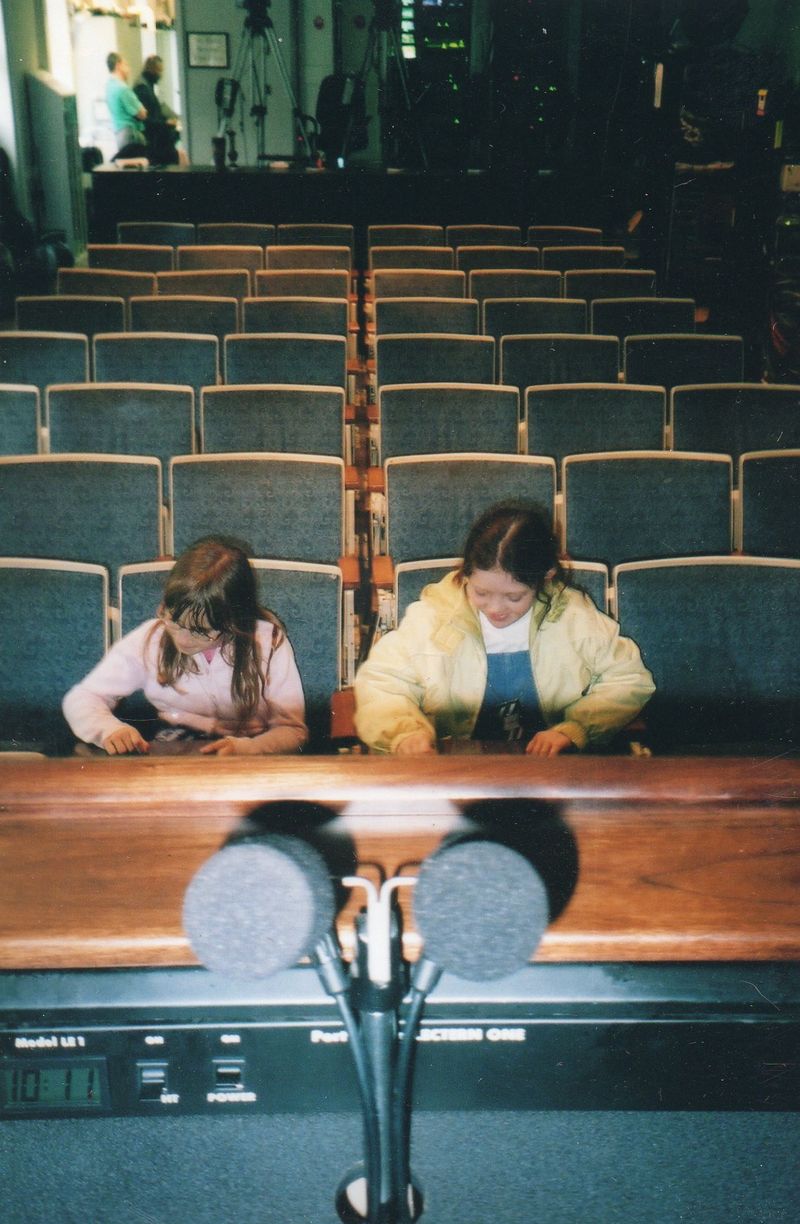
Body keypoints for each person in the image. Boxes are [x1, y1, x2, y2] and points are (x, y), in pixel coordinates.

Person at [354, 501, 654, 756]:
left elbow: (628, 678)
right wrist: (405, 732)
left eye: (514, 597)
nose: (496, 609)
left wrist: (575, 728)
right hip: (456, 763)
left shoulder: (572, 616)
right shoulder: (436, 616)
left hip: (553, 766)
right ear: (465, 574)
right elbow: (382, 681)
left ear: (546, 577)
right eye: (481, 593)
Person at [63, 536, 308, 757]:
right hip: (173, 746)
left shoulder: (268, 642)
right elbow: (83, 697)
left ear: (234, 622)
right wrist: (108, 729)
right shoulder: (151, 638)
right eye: (173, 620)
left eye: (201, 632)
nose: (182, 638)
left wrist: (249, 749)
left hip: (250, 749)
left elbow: (292, 731)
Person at [134, 54, 185, 166]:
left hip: (156, 134)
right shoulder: (142, 88)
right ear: (151, 69)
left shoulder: (147, 85)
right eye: (159, 71)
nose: (160, 74)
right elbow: (146, 119)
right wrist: (166, 123)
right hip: (153, 138)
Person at [105, 52, 148, 156]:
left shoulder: (109, 86)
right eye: (126, 65)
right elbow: (142, 114)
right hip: (130, 134)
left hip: (119, 132)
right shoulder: (123, 89)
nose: (129, 69)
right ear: (118, 65)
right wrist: (142, 108)